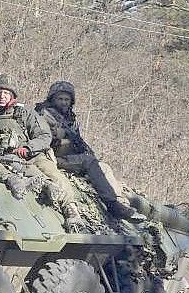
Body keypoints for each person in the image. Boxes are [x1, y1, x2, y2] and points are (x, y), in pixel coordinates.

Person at [0, 75, 85, 231]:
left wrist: (28, 148)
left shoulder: (24, 112)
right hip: (7, 158)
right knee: (29, 173)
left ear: (12, 95)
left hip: (34, 155)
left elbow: (44, 135)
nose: (2, 96)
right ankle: (44, 185)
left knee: (57, 177)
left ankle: (71, 211)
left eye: (6, 93)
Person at [34, 81, 136, 219]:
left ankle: (118, 201)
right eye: (60, 99)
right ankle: (111, 204)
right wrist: (61, 137)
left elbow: (78, 141)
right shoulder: (44, 115)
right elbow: (42, 139)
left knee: (103, 167)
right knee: (89, 160)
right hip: (51, 157)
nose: (64, 102)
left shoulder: (70, 118)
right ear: (52, 99)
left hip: (69, 157)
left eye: (67, 99)